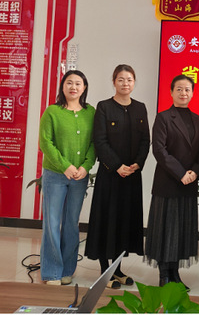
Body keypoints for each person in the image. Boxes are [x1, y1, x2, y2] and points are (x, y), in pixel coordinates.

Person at [85, 64, 150, 288]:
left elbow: (145, 141)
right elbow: (100, 141)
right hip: (110, 175)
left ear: (134, 82)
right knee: (108, 221)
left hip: (132, 176)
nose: (125, 83)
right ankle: (105, 271)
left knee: (125, 222)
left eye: (129, 79)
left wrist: (137, 164)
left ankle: (118, 269)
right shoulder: (104, 107)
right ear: (114, 82)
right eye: (121, 79)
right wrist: (117, 166)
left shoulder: (140, 108)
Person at [145, 74, 199, 288]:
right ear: (171, 92)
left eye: (187, 89)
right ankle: (164, 275)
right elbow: (159, 150)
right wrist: (181, 173)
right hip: (168, 182)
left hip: (189, 184)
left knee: (181, 231)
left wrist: (194, 173)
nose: (183, 93)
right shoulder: (163, 117)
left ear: (192, 93)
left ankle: (176, 275)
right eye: (179, 89)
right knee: (165, 230)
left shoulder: (197, 119)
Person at [39, 70, 96, 285]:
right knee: (52, 223)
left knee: (71, 223)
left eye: (78, 83)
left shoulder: (91, 112)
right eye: (69, 83)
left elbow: (95, 143)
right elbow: (45, 143)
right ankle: (52, 272)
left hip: (80, 176)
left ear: (84, 87)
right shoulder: (52, 112)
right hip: (55, 175)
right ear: (62, 86)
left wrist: (86, 167)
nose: (73, 87)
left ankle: (67, 270)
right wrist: (65, 166)